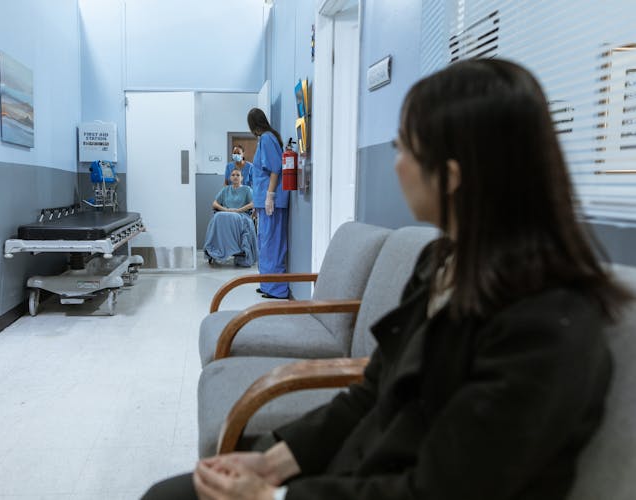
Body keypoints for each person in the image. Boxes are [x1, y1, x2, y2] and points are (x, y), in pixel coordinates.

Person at [142, 59, 632, 500]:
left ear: (452, 175)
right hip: (362, 469)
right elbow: (373, 389)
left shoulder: (545, 327)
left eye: (403, 146)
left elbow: (441, 488)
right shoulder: (443, 265)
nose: (394, 163)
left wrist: (271, 498)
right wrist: (269, 460)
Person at [247, 108, 289, 299]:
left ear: (253, 125)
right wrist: (258, 203)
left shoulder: (267, 138)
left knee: (272, 244)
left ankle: (277, 289)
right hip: (264, 203)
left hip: (272, 202)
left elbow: (275, 169)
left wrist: (270, 195)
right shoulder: (265, 139)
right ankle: (267, 284)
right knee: (264, 243)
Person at [204, 168, 257, 267]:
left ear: (242, 178)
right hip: (225, 213)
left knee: (234, 218)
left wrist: (238, 210)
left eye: (238, 175)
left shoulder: (247, 189)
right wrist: (225, 209)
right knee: (217, 217)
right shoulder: (225, 190)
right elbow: (214, 203)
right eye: (233, 175)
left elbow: (253, 203)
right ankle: (215, 247)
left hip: (241, 215)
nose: (235, 177)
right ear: (230, 178)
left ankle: (237, 249)